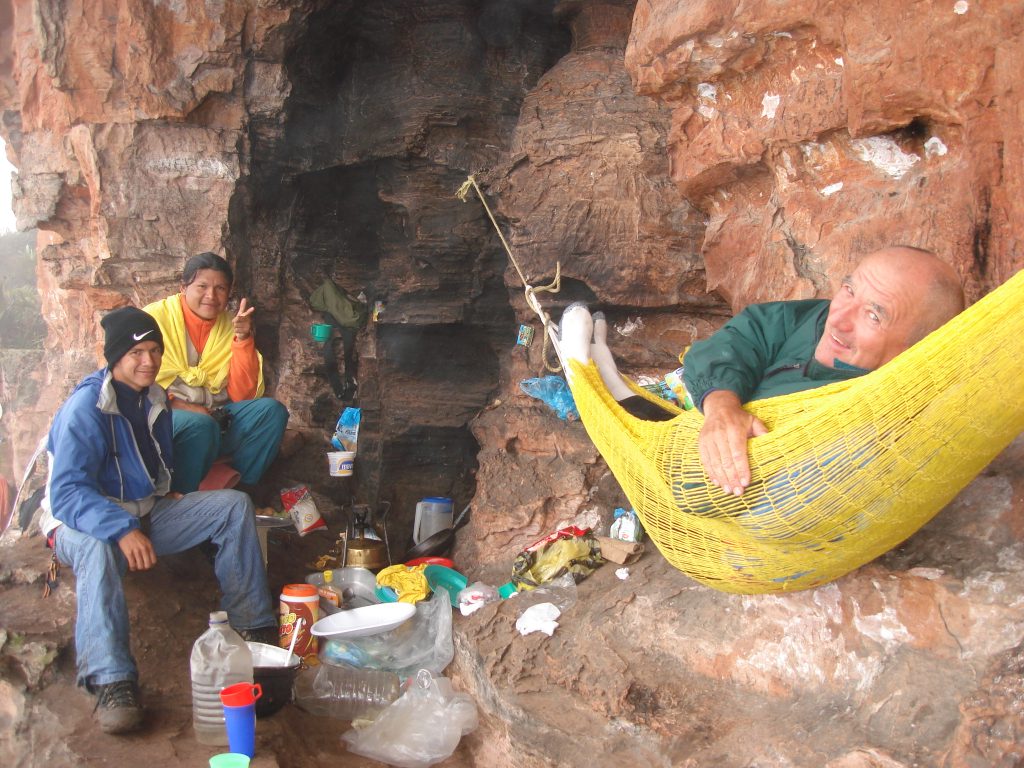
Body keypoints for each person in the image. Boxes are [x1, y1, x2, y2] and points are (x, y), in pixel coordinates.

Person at [557, 245, 965, 498]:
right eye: (850, 289)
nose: (838, 319)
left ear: (914, 353)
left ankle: (592, 377)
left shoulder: (872, 412)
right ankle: (605, 378)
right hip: (704, 422)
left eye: (874, 316)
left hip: (708, 483)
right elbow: (743, 336)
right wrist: (721, 405)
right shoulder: (818, 318)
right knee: (674, 402)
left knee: (654, 448)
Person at [39, 307, 277, 734]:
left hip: (144, 510)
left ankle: (254, 633)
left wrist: (164, 491)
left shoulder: (152, 399)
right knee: (96, 548)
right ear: (113, 356)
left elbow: (148, 460)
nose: (148, 361)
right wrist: (121, 529)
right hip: (78, 525)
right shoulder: (86, 408)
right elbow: (68, 493)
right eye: (137, 353)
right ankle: (112, 681)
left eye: (154, 350)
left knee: (231, 506)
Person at [143, 253, 289, 494]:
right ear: (183, 287)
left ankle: (236, 488)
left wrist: (242, 340)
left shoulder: (231, 325)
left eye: (220, 288)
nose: (211, 296)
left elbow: (244, 395)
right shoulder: (152, 319)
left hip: (213, 417)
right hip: (163, 416)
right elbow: (135, 383)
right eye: (202, 286)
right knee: (199, 425)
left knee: (271, 412)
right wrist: (185, 407)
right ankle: (184, 499)